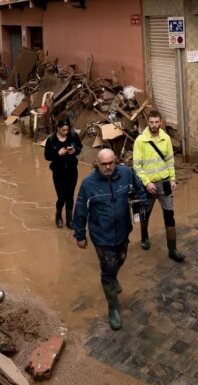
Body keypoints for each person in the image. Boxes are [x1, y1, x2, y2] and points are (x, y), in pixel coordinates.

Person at [72, 149, 147, 330]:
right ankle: (113, 307)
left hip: (122, 231)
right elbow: (81, 209)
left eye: (111, 163)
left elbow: (139, 189)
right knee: (108, 269)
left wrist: (141, 208)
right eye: (104, 164)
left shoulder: (126, 174)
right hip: (101, 235)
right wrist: (80, 235)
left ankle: (113, 278)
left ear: (116, 162)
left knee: (120, 259)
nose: (108, 167)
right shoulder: (88, 184)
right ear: (97, 164)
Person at [132, 110, 184, 262]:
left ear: (160, 122)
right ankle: (144, 236)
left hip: (165, 183)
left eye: (157, 122)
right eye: (151, 122)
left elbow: (169, 160)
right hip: (148, 186)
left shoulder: (166, 138)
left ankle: (173, 249)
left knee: (170, 215)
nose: (154, 125)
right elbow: (137, 166)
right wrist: (147, 183)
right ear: (147, 122)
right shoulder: (140, 141)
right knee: (145, 213)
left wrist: (172, 179)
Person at [44, 120, 82, 228]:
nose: (66, 132)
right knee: (62, 196)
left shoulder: (73, 136)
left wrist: (74, 150)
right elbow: (47, 156)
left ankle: (69, 219)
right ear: (58, 128)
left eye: (67, 129)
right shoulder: (51, 140)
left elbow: (79, 148)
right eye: (63, 130)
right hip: (58, 171)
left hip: (72, 170)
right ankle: (58, 215)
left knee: (70, 195)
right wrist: (58, 153)